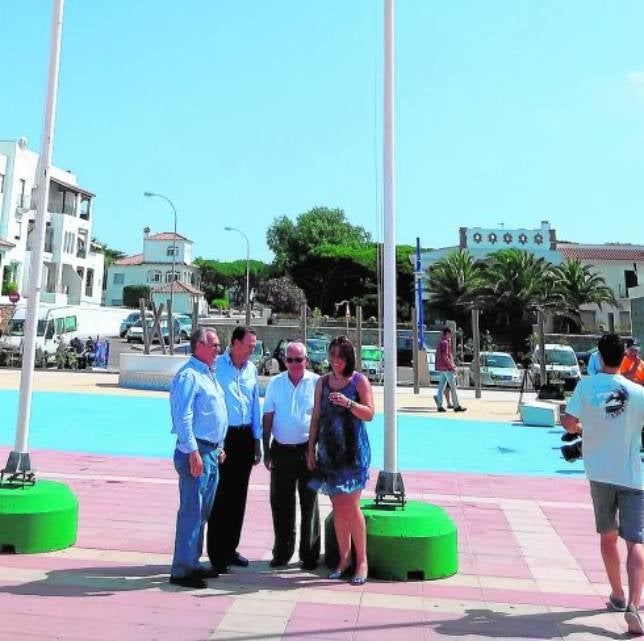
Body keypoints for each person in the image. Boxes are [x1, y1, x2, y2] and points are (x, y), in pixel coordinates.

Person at [561, 333, 644, 635]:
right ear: (624, 356)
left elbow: (569, 423)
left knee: (608, 537)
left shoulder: (586, 386)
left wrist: (586, 425)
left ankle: (618, 596)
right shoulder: (638, 392)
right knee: (636, 540)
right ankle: (636, 606)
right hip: (632, 475)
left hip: (599, 474)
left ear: (599, 356)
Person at [307, 336, 374, 586]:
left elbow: (369, 413)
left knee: (351, 506)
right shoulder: (322, 382)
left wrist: (348, 403)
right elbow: (316, 416)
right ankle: (344, 559)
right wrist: (310, 448)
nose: (335, 361)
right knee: (338, 507)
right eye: (332, 355)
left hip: (353, 452)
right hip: (330, 453)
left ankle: (361, 560)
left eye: (340, 356)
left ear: (349, 358)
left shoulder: (359, 381)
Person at [169, 328, 227, 589]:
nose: (219, 349)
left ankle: (193, 560)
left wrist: (219, 445)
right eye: (214, 345)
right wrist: (193, 451)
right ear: (200, 345)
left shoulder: (207, 374)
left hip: (211, 451)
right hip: (196, 452)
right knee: (191, 511)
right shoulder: (189, 376)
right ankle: (181, 570)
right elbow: (183, 417)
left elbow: (214, 414)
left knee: (203, 511)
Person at [207, 326, 261, 573]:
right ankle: (217, 554)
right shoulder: (216, 367)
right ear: (235, 343)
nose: (253, 350)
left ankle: (230, 549)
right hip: (224, 437)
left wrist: (257, 440)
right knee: (221, 496)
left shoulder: (251, 370)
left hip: (245, 436)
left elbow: (254, 407)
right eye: (249, 345)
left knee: (239, 496)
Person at [263, 341, 320, 570]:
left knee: (310, 504)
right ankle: (282, 552)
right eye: (290, 360)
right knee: (281, 504)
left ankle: (309, 555)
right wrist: (265, 449)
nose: (294, 364)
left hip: (307, 451)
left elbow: (320, 418)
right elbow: (268, 416)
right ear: (284, 361)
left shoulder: (317, 382)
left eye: (299, 359)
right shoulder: (275, 384)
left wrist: (315, 451)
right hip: (281, 450)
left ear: (306, 360)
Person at [433, 327, 466, 413]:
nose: (451, 336)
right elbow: (446, 356)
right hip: (447, 368)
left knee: (441, 387)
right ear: (447, 334)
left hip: (441, 368)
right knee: (453, 387)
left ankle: (439, 405)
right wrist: (451, 366)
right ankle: (456, 405)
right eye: (450, 334)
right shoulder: (445, 343)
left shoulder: (440, 342)